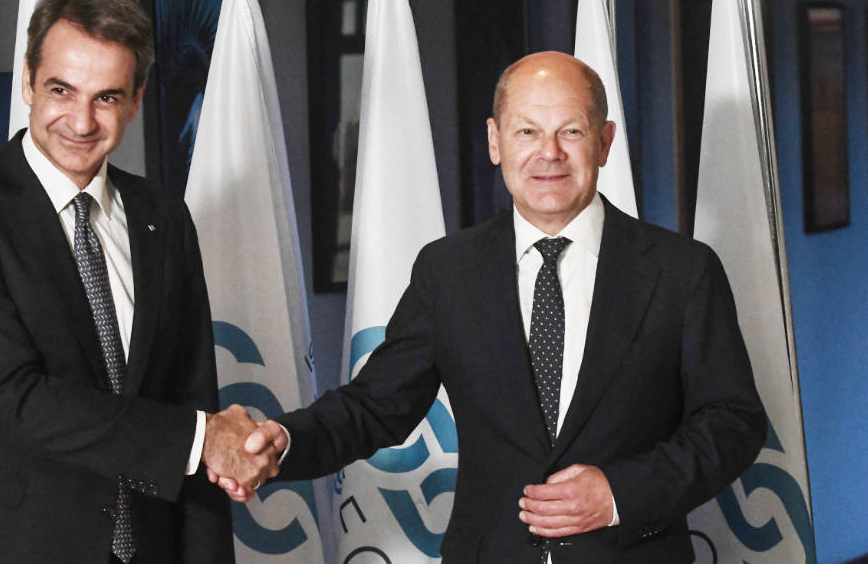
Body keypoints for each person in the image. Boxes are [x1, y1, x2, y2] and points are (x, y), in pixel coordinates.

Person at [212, 51, 767, 563]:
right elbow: (376, 405)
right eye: (527, 131)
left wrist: (620, 492)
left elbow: (733, 422)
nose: (548, 153)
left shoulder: (682, 270)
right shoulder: (448, 270)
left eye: (570, 131)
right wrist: (285, 440)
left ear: (604, 141)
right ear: (495, 140)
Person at [0, 0, 278, 563]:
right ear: (27, 79)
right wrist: (204, 440)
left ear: (136, 99)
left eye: (106, 97)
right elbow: (18, 400)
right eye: (60, 90)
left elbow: (189, 390)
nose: (81, 121)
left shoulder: (162, 218)